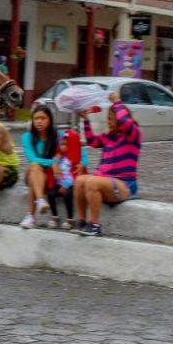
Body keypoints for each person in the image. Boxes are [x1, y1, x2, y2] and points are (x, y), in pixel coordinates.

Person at [74, 92, 143, 236]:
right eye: (108, 118)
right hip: (105, 181)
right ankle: (81, 222)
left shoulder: (133, 135)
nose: (109, 121)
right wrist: (86, 120)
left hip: (125, 184)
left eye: (112, 118)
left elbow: (126, 123)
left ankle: (95, 225)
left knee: (93, 182)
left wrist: (117, 102)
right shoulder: (108, 137)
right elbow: (92, 141)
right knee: (80, 180)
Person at [49, 131, 87, 230]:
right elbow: (54, 163)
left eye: (66, 145)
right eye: (61, 144)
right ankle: (54, 216)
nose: (62, 147)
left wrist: (65, 185)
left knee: (67, 195)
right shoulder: (60, 155)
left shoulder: (77, 156)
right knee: (50, 193)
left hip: (71, 184)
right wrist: (56, 160)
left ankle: (70, 218)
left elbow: (75, 174)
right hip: (60, 182)